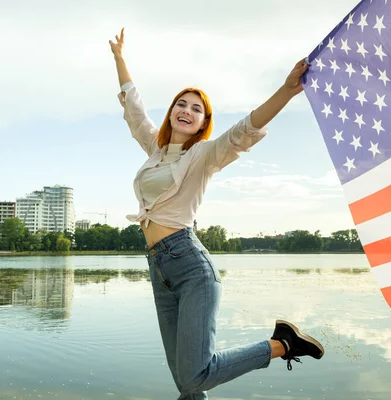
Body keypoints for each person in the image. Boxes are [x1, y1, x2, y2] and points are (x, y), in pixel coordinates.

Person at [109, 27, 324, 399]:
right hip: (159, 269)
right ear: (172, 111)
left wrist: (288, 90)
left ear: (204, 121)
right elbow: (134, 109)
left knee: (195, 376)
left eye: (197, 108)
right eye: (182, 103)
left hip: (191, 267)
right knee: (187, 383)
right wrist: (120, 59)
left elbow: (246, 129)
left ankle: (281, 344)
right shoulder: (156, 151)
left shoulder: (204, 155)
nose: (187, 111)